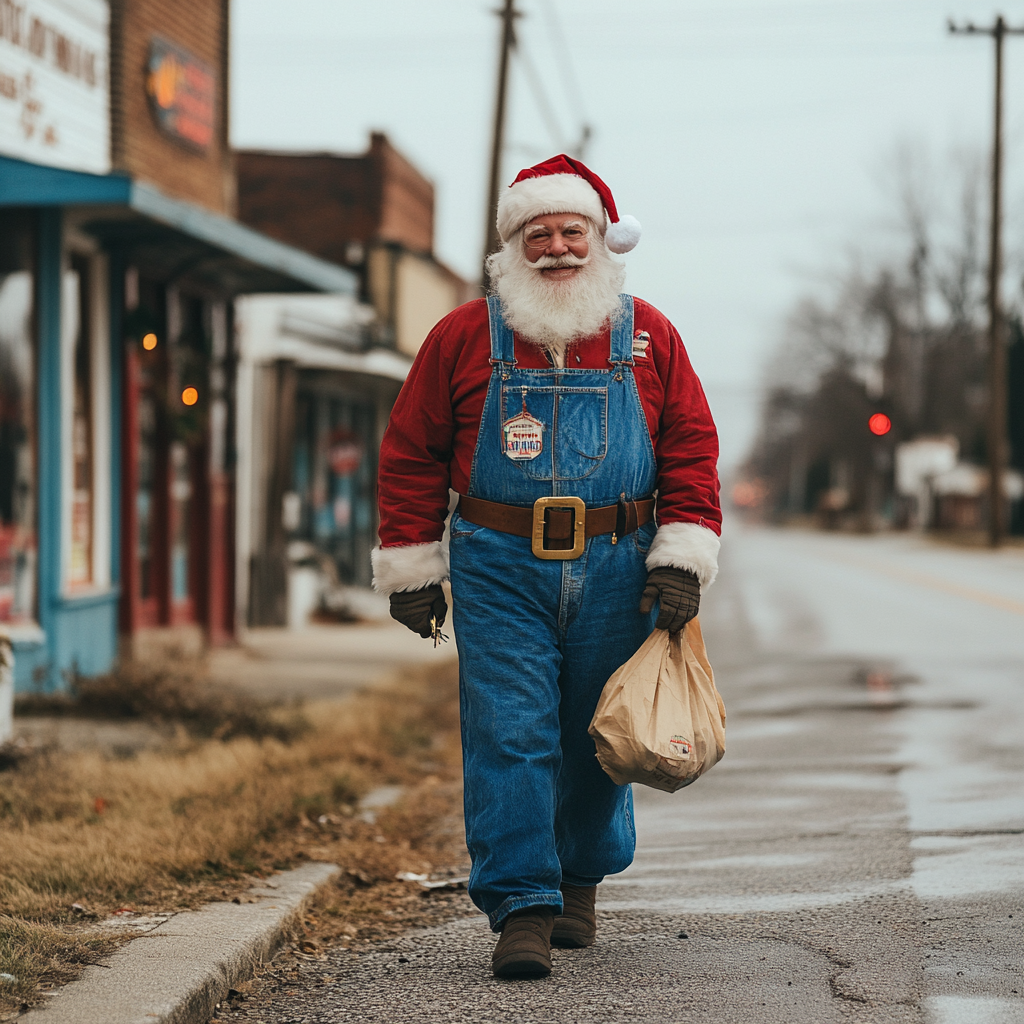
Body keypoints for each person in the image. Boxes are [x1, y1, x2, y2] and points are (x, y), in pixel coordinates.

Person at [372, 155, 721, 979]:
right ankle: (522, 907)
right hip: (498, 563)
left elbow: (690, 447)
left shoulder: (648, 337)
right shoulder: (462, 336)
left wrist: (683, 553)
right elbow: (412, 453)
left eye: (572, 232)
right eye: (539, 235)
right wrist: (414, 566)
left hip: (619, 559)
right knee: (510, 730)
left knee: (597, 732)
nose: (556, 248)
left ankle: (578, 879)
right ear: (511, 249)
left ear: (599, 241)